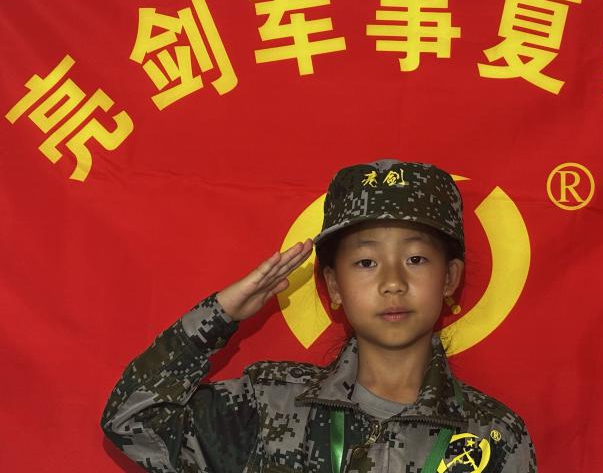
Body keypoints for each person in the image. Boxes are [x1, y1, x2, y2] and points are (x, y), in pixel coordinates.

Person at [101, 159, 537, 473]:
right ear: (333, 285)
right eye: (366, 262)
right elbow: (131, 420)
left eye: (416, 259)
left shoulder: (493, 435)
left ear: (450, 278)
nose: (393, 282)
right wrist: (220, 315)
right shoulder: (267, 406)